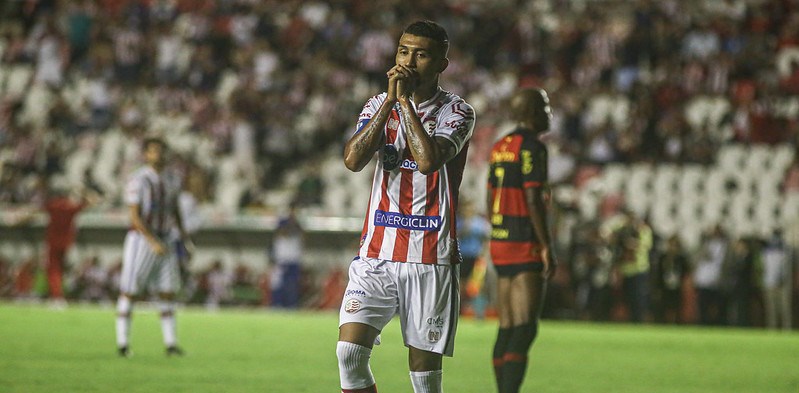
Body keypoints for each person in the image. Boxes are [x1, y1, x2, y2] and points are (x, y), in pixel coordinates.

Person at [336, 20, 475, 393]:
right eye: (403, 51)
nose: (409, 61)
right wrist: (390, 105)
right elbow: (352, 159)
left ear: (442, 64)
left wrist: (405, 103)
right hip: (377, 251)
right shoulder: (378, 103)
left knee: (424, 379)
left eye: (422, 54)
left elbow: (428, 161)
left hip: (429, 255)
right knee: (349, 352)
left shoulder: (457, 112)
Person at [487, 87, 557, 393]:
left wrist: (499, 227)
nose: (549, 112)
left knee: (508, 324)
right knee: (525, 326)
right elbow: (532, 196)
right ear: (531, 112)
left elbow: (490, 197)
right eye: (545, 106)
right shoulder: (532, 147)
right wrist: (546, 245)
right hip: (524, 239)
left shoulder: (500, 145)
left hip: (500, 239)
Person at [115, 137, 193, 357]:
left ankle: (170, 344)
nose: (158, 155)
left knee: (167, 292)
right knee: (130, 290)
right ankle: (123, 344)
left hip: (166, 238)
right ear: (146, 154)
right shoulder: (138, 179)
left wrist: (184, 238)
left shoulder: (172, 179)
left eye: (161, 151)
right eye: (153, 151)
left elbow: (175, 209)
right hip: (142, 239)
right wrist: (151, 241)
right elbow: (134, 216)